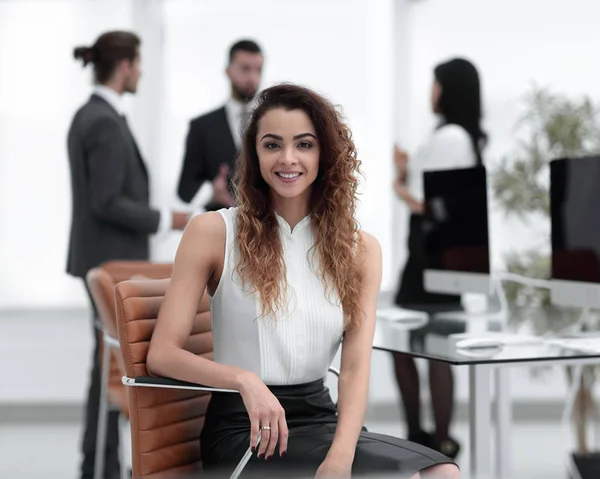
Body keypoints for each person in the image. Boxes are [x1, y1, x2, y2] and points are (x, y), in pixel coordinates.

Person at [147, 83, 460, 478]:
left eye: (305, 144)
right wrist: (243, 380)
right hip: (246, 429)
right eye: (272, 145)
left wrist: (341, 457)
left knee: (442, 473)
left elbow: (354, 370)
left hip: (322, 420)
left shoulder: (360, 250)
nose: (288, 159)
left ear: (324, 153)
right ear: (254, 153)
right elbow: (162, 354)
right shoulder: (213, 232)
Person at [67, 31, 190, 479]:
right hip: (111, 264)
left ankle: (101, 464)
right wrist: (169, 220)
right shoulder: (102, 121)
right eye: (138, 63)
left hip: (103, 258)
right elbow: (106, 201)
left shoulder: (95, 115)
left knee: (109, 365)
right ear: (124, 66)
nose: (140, 72)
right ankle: (100, 464)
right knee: (115, 367)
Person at [392, 58, 487, 459]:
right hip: (446, 255)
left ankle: (423, 436)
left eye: (434, 85)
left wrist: (399, 181)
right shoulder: (464, 137)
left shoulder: (447, 136)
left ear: (448, 89)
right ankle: (440, 438)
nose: (431, 93)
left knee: (409, 344)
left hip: (429, 256)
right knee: (435, 345)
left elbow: (429, 204)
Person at [176, 39, 264, 212]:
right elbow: (184, 190)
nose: (253, 78)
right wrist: (211, 191)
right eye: (245, 69)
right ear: (228, 71)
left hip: (265, 228)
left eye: (258, 70)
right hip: (217, 229)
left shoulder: (273, 123)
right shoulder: (201, 126)